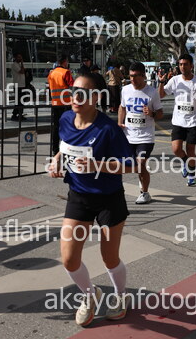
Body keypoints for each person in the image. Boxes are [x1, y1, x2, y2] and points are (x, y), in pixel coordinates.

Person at [48, 73, 135, 326]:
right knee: (69, 258)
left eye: (83, 93)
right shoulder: (65, 119)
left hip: (109, 200)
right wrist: (57, 160)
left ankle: (120, 296)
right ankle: (90, 295)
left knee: (109, 257)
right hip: (78, 196)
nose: (76, 97)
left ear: (96, 97)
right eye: (73, 91)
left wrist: (98, 165)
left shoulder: (108, 129)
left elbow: (131, 165)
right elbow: (64, 145)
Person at [159, 54, 196, 187]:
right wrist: (161, 82)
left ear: (191, 66)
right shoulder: (175, 80)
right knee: (176, 149)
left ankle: (192, 175)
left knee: (190, 150)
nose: (182, 67)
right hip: (178, 121)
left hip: (193, 121)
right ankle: (185, 162)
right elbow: (161, 95)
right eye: (180, 64)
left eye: (185, 64)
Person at [119, 62, 163, 204]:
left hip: (146, 136)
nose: (133, 79)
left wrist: (152, 113)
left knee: (141, 163)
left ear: (143, 75)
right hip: (129, 135)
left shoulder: (152, 92)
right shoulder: (125, 90)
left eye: (136, 76)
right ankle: (138, 180)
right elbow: (122, 107)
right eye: (131, 76)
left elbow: (160, 113)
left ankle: (145, 193)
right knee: (128, 165)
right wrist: (120, 122)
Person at [47, 54, 75, 155]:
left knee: (56, 127)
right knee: (67, 126)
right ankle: (66, 149)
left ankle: (55, 149)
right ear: (65, 61)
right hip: (65, 104)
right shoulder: (66, 72)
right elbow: (73, 86)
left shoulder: (51, 73)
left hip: (55, 104)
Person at [10, 53, 26, 121]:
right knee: (18, 101)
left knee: (22, 100)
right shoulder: (14, 65)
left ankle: (20, 114)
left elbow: (24, 71)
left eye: (21, 57)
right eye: (18, 57)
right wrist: (22, 63)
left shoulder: (19, 65)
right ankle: (14, 114)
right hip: (18, 85)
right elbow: (21, 71)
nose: (20, 58)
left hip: (22, 85)